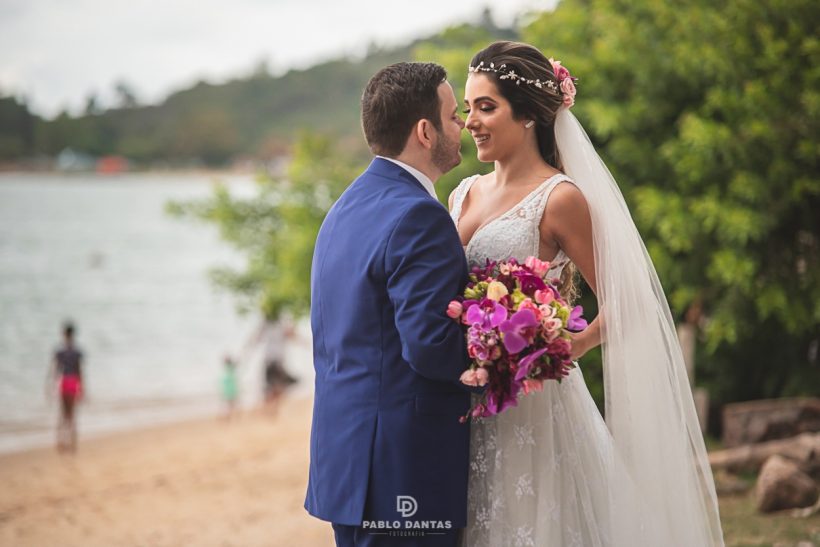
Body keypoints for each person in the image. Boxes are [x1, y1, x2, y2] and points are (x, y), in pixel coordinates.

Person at [451, 41, 724, 546]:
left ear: (529, 116)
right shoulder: (462, 191)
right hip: (466, 400)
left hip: (535, 406)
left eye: (486, 107)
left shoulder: (560, 198)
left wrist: (567, 344)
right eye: (468, 108)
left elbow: (630, 302)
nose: (471, 121)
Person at [305, 62, 470, 546]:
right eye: (454, 116)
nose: (461, 127)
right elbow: (431, 347)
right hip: (403, 472)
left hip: (345, 462)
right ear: (425, 130)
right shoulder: (420, 215)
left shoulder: (344, 208)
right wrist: (505, 348)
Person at [50, 321, 84, 453]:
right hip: (73, 382)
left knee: (63, 414)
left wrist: (51, 385)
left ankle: (61, 442)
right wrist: (82, 388)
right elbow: (80, 371)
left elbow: (55, 371)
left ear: (64, 334)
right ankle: (73, 444)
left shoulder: (60, 351)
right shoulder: (77, 351)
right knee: (72, 414)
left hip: (64, 382)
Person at [220, 355, 239, 421]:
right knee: (231, 405)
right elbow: (237, 363)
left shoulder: (227, 369)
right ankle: (228, 416)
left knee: (229, 405)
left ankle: (227, 416)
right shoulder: (230, 368)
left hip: (228, 389)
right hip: (231, 389)